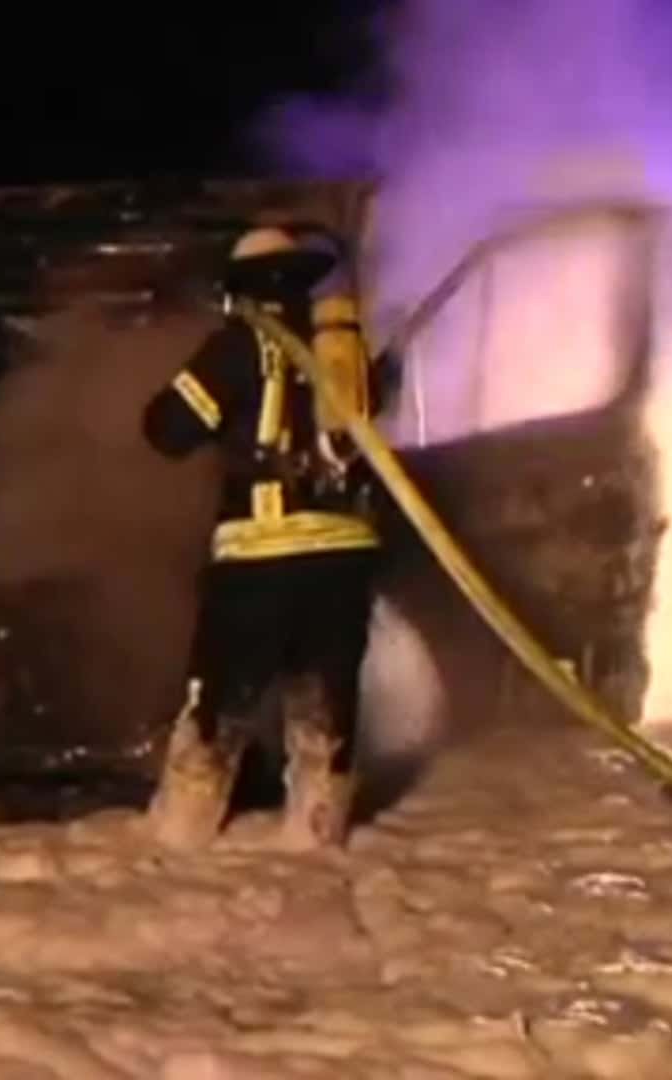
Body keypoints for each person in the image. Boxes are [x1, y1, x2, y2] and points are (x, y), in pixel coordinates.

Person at [139, 225, 390, 852]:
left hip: (260, 557)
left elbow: (168, 430)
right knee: (324, 710)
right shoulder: (347, 353)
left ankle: (179, 839)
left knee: (219, 707)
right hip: (344, 562)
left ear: (245, 290)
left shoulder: (235, 348)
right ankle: (316, 840)